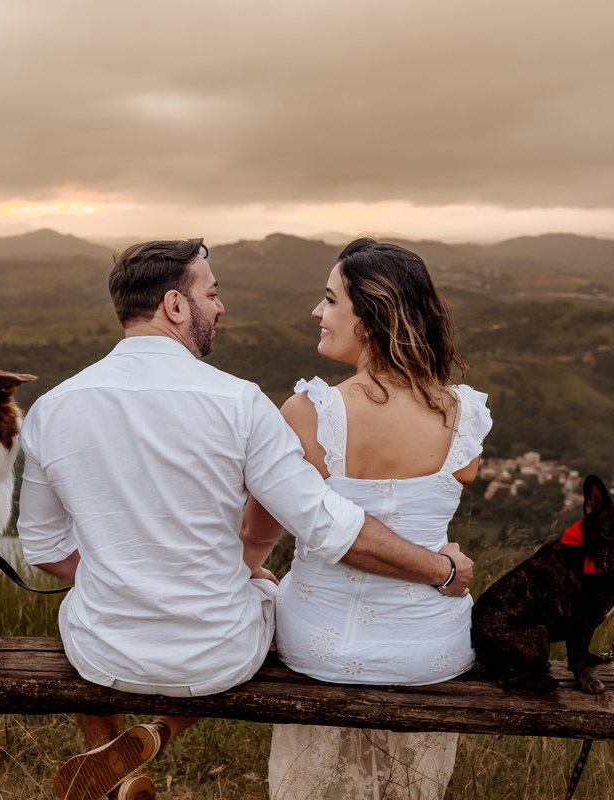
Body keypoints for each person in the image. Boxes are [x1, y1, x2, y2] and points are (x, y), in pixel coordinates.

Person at [17, 238, 473, 800]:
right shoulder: (240, 402)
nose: (220, 307)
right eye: (212, 294)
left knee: (81, 615)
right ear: (175, 307)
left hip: (104, 653)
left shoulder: (51, 408)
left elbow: (41, 547)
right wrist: (440, 569)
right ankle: (153, 738)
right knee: (264, 594)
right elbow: (325, 525)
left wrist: (120, 575)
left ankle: (110, 764)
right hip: (217, 656)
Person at [240, 238, 491, 800]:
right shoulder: (465, 417)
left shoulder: (309, 413)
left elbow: (259, 532)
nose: (317, 312)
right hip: (433, 647)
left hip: (318, 644)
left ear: (372, 318)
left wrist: (247, 573)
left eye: (330, 301)